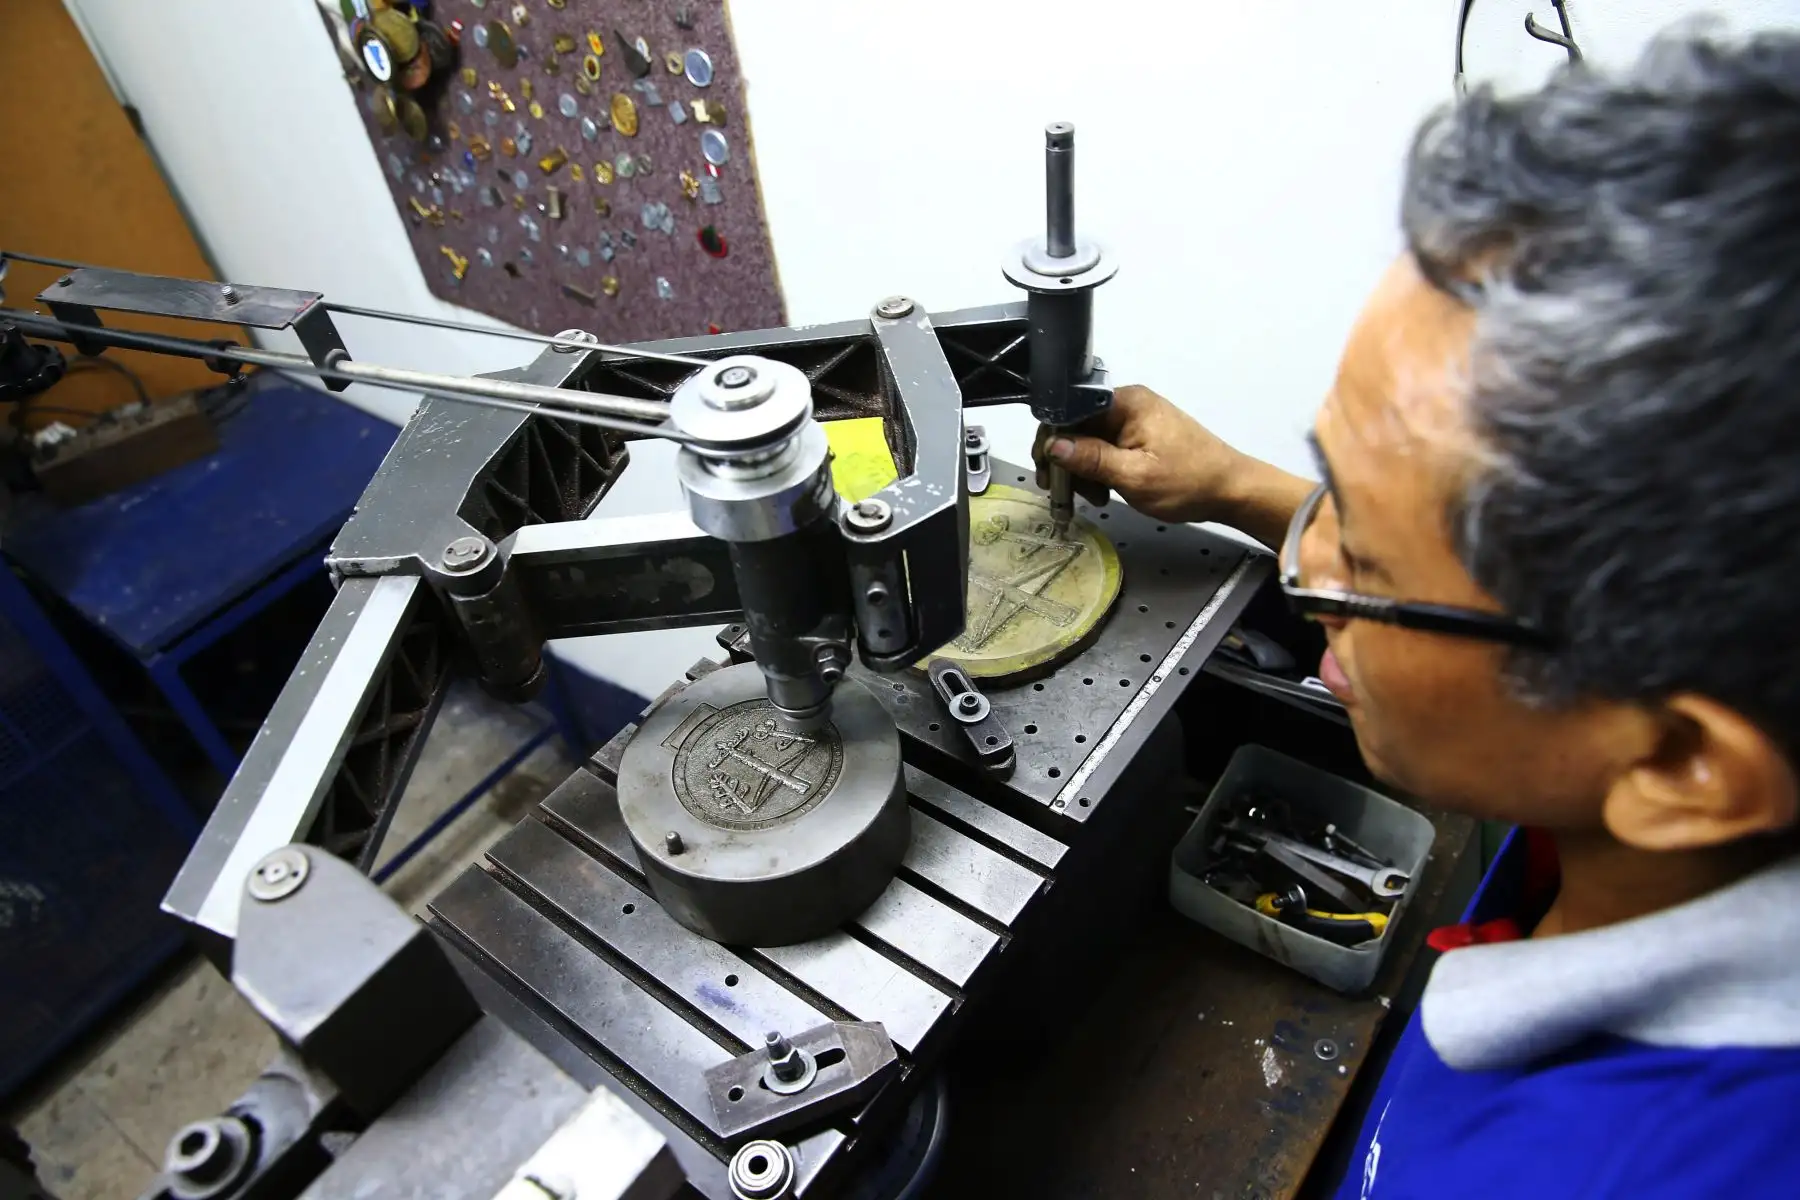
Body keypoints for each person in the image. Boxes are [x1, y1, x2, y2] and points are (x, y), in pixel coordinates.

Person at [1037, 28, 1800, 1199]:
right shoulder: (1679, 768)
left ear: (1686, 762)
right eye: (1331, 488)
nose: (1309, 571)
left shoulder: (1605, 1170)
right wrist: (1242, 488)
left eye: (1372, 565)